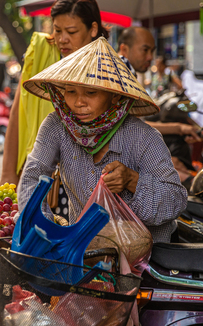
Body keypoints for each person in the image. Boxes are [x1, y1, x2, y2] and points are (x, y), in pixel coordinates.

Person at [18, 37, 187, 243]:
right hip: (84, 253)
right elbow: (32, 178)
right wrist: (43, 232)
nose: (79, 102)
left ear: (114, 96)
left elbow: (175, 200)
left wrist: (132, 181)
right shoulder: (57, 125)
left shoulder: (144, 138)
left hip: (148, 260)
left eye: (91, 92)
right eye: (71, 91)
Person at [0, 0, 109, 186]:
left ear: (93, 29)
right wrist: (8, 174)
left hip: (85, 181)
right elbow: (17, 114)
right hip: (35, 171)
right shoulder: (41, 51)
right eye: (57, 30)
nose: (62, 39)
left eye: (72, 32)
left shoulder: (108, 68)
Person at [118, 27, 201, 188]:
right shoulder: (121, 75)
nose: (150, 57)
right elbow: (129, 128)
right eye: (145, 50)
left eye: (152, 51)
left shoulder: (134, 74)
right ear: (124, 49)